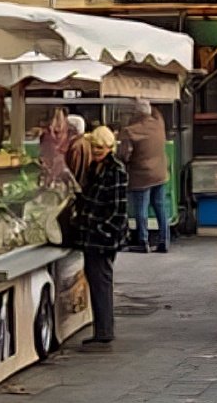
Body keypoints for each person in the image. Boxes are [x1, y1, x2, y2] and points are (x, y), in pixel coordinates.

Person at [65, 124, 130, 346]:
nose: (95, 152)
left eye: (100, 148)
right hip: (92, 235)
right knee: (97, 282)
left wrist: (102, 230)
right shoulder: (96, 168)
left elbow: (118, 210)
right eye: (93, 148)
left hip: (102, 238)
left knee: (101, 282)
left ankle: (104, 332)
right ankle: (102, 329)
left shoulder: (116, 170)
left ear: (109, 147)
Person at [119, 100, 172, 253]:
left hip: (141, 175)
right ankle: (164, 241)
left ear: (136, 113)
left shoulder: (130, 131)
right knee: (160, 207)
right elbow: (156, 112)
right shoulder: (158, 123)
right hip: (160, 173)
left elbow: (124, 155)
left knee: (141, 208)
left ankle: (143, 241)